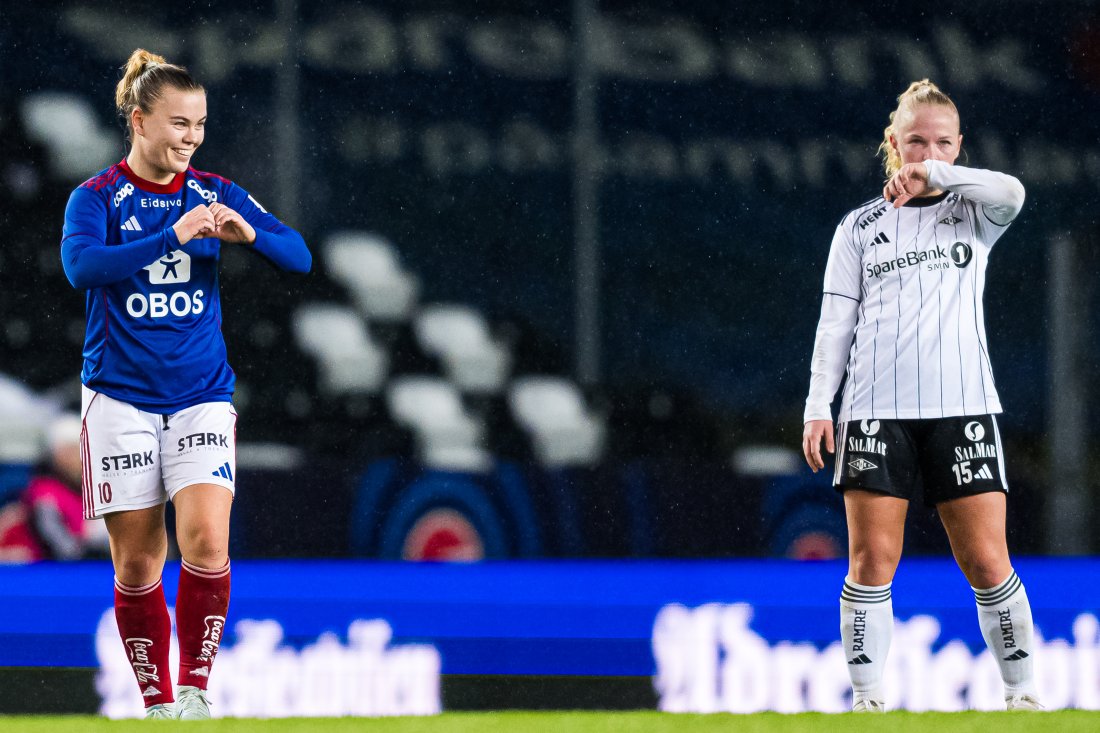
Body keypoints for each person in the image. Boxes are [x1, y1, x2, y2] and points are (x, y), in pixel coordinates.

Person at [61, 49, 311, 720]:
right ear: (138, 122)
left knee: (206, 538)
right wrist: (169, 235)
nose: (190, 138)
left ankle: (196, 689)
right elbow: (82, 268)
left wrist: (249, 232)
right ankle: (156, 702)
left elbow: (300, 255)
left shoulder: (214, 190)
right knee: (141, 561)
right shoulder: (96, 198)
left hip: (201, 393)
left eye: (199, 125)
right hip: (118, 397)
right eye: (178, 124)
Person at [801, 80, 1040, 712]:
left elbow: (1013, 190)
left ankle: (1022, 696)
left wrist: (935, 172)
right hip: (876, 409)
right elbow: (836, 323)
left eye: (940, 142)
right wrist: (817, 405)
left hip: (963, 405)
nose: (925, 151)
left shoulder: (975, 214)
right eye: (913, 141)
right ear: (891, 143)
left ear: (959, 147)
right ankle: (869, 701)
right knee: (873, 559)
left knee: (988, 562)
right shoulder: (858, 228)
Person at [23, 413, 111, 561]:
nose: (77, 459)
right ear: (56, 456)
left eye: (80, 451)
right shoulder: (44, 494)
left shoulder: (97, 490)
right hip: (58, 572)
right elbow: (58, 545)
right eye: (69, 452)